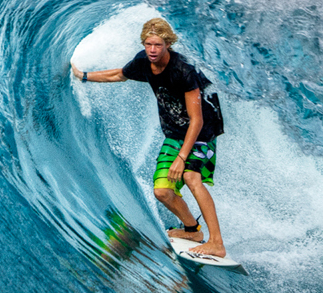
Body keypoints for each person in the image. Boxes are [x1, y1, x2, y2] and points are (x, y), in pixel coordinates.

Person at [71, 18, 228, 258]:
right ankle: (192, 230)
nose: (152, 50)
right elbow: (119, 75)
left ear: (168, 44)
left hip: (202, 130)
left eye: (157, 44)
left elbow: (196, 120)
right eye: (148, 44)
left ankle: (216, 242)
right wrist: (83, 76)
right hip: (175, 132)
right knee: (162, 192)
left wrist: (182, 157)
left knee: (190, 176)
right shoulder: (143, 62)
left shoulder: (183, 71)